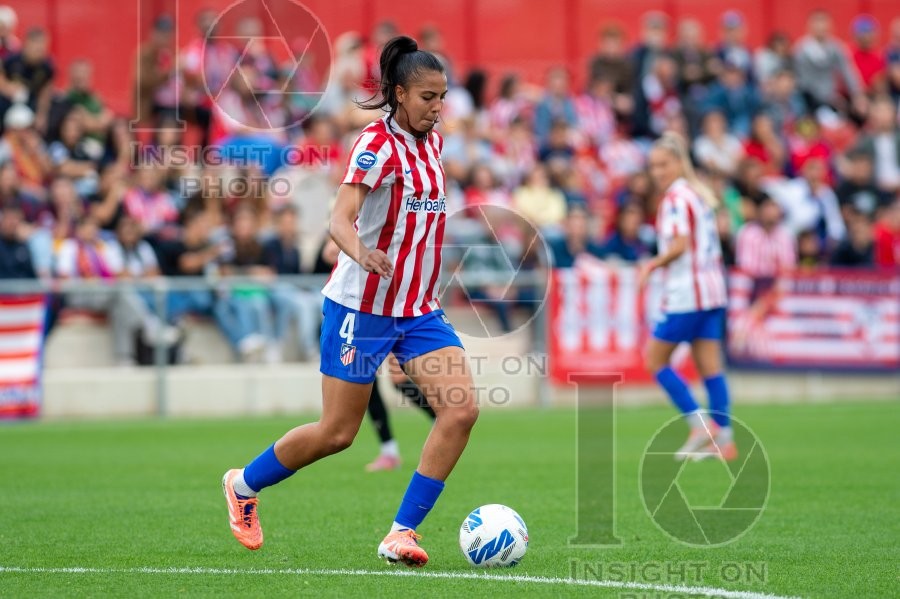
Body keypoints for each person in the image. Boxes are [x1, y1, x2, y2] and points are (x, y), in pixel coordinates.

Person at [222, 36, 479, 567]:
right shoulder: (375, 144)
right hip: (360, 307)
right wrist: (362, 253)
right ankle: (243, 485)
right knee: (337, 433)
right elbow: (339, 218)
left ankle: (401, 533)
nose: (438, 107)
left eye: (443, 96)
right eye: (429, 97)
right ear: (401, 94)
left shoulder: (432, 143)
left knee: (460, 409)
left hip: (417, 309)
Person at [639, 132, 735, 462]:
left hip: (688, 292)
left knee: (655, 359)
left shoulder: (676, 199)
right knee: (710, 366)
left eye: (664, 164)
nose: (658, 171)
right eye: (653, 166)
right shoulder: (698, 194)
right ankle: (725, 440)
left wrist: (652, 264)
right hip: (713, 290)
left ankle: (699, 426)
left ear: (679, 163)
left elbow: (679, 245)